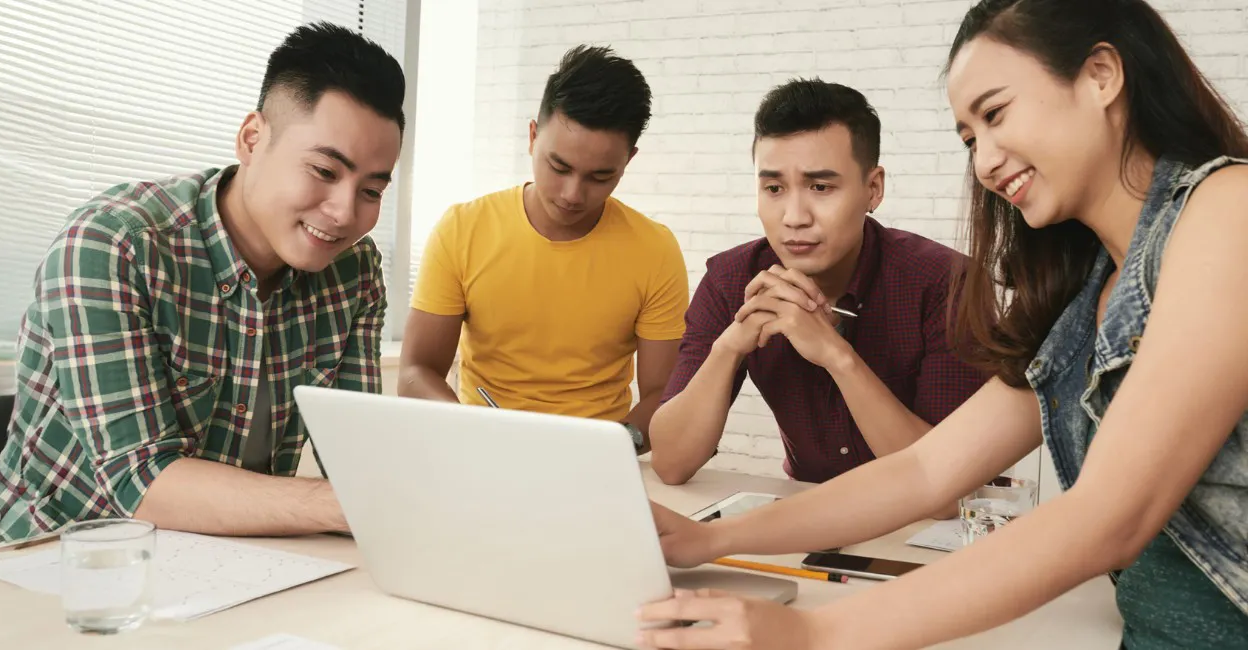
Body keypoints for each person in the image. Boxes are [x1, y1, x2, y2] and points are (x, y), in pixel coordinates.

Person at [636, 1, 1248, 648]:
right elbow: (927, 470)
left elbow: (1109, 517)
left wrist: (813, 634)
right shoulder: (1084, 292)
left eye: (995, 113)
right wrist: (713, 538)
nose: (983, 162)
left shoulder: (1227, 209)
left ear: (1100, 75)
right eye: (968, 138)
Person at [0, 23, 405, 554]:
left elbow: (355, 454)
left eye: (372, 190)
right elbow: (142, 484)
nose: (345, 213)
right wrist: (350, 504)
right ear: (252, 138)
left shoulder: (354, 271)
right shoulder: (114, 244)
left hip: (229, 564)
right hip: (50, 567)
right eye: (324, 170)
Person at [647, 79, 989, 487]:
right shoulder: (730, 280)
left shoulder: (948, 284)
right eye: (773, 188)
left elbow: (949, 482)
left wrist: (835, 355)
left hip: (927, 530)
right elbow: (670, 464)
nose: (794, 216)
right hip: (807, 509)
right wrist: (729, 347)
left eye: (820, 187)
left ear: (873, 189)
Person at [401, 45, 688, 439]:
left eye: (600, 176)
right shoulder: (462, 229)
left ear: (629, 161)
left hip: (600, 458)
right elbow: (416, 373)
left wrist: (616, 444)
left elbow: (663, 394)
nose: (573, 193)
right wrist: (470, 431)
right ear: (533, 136)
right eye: (559, 166)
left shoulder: (655, 249)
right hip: (480, 446)